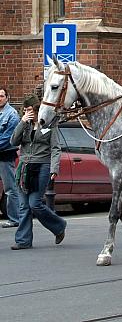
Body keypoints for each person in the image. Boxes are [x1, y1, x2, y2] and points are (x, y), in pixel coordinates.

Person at [10, 95, 66, 249]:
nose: (28, 112)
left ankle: (58, 226)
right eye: (26, 110)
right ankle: (23, 241)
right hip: (24, 167)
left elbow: (56, 148)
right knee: (24, 206)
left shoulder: (49, 124)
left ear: (37, 109)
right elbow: (13, 141)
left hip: (42, 166)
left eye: (30, 110)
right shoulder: (25, 125)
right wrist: (22, 122)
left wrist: (54, 168)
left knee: (34, 203)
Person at [0, 87, 21, 228]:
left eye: (1, 96)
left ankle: (15, 219)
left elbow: (8, 139)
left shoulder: (12, 115)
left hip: (5, 156)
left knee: (10, 188)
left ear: (7, 97)